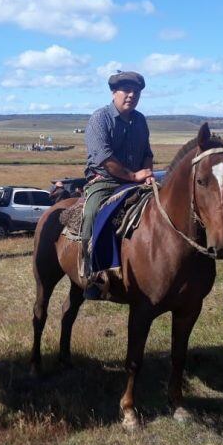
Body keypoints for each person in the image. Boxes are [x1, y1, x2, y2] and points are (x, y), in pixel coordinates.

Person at [82, 71, 154, 299]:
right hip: (105, 181)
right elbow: (105, 158)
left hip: (137, 180)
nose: (132, 95)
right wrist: (133, 176)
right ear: (114, 92)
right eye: (126, 90)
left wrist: (148, 173)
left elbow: (147, 153)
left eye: (137, 92)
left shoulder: (140, 120)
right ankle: (91, 272)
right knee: (92, 212)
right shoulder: (99, 118)